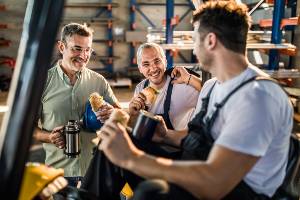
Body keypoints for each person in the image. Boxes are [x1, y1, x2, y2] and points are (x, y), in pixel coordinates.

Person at [82, 1, 293, 199]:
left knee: (148, 189)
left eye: (194, 40)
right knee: (112, 142)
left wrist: (132, 158)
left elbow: (216, 182)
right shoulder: (211, 87)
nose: (193, 49)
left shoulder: (258, 97)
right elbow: (199, 141)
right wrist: (165, 136)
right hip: (197, 165)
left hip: (228, 191)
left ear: (210, 41)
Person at [34, 23, 120, 187]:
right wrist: (49, 137)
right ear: (61, 47)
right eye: (77, 49)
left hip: (93, 171)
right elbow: (27, 128)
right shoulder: (42, 82)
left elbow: (121, 116)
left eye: (88, 49)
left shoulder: (98, 82)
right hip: (58, 174)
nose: (83, 55)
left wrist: (112, 113)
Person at [129, 42, 200, 130]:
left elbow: (211, 92)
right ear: (140, 69)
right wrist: (132, 114)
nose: (153, 68)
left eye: (157, 61)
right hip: (151, 141)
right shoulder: (140, 88)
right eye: (146, 64)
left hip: (176, 142)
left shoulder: (181, 86)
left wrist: (189, 78)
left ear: (165, 62)